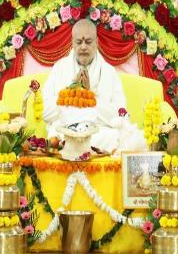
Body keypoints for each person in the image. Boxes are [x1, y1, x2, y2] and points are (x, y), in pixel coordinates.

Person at [42, 19, 146, 154]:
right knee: (57, 136)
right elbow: (46, 113)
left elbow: (120, 116)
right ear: (72, 43)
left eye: (88, 42)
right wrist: (71, 92)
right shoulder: (59, 68)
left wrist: (90, 94)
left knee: (115, 138)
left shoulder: (109, 72)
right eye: (79, 42)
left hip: (98, 133)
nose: (83, 47)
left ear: (96, 42)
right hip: (65, 131)